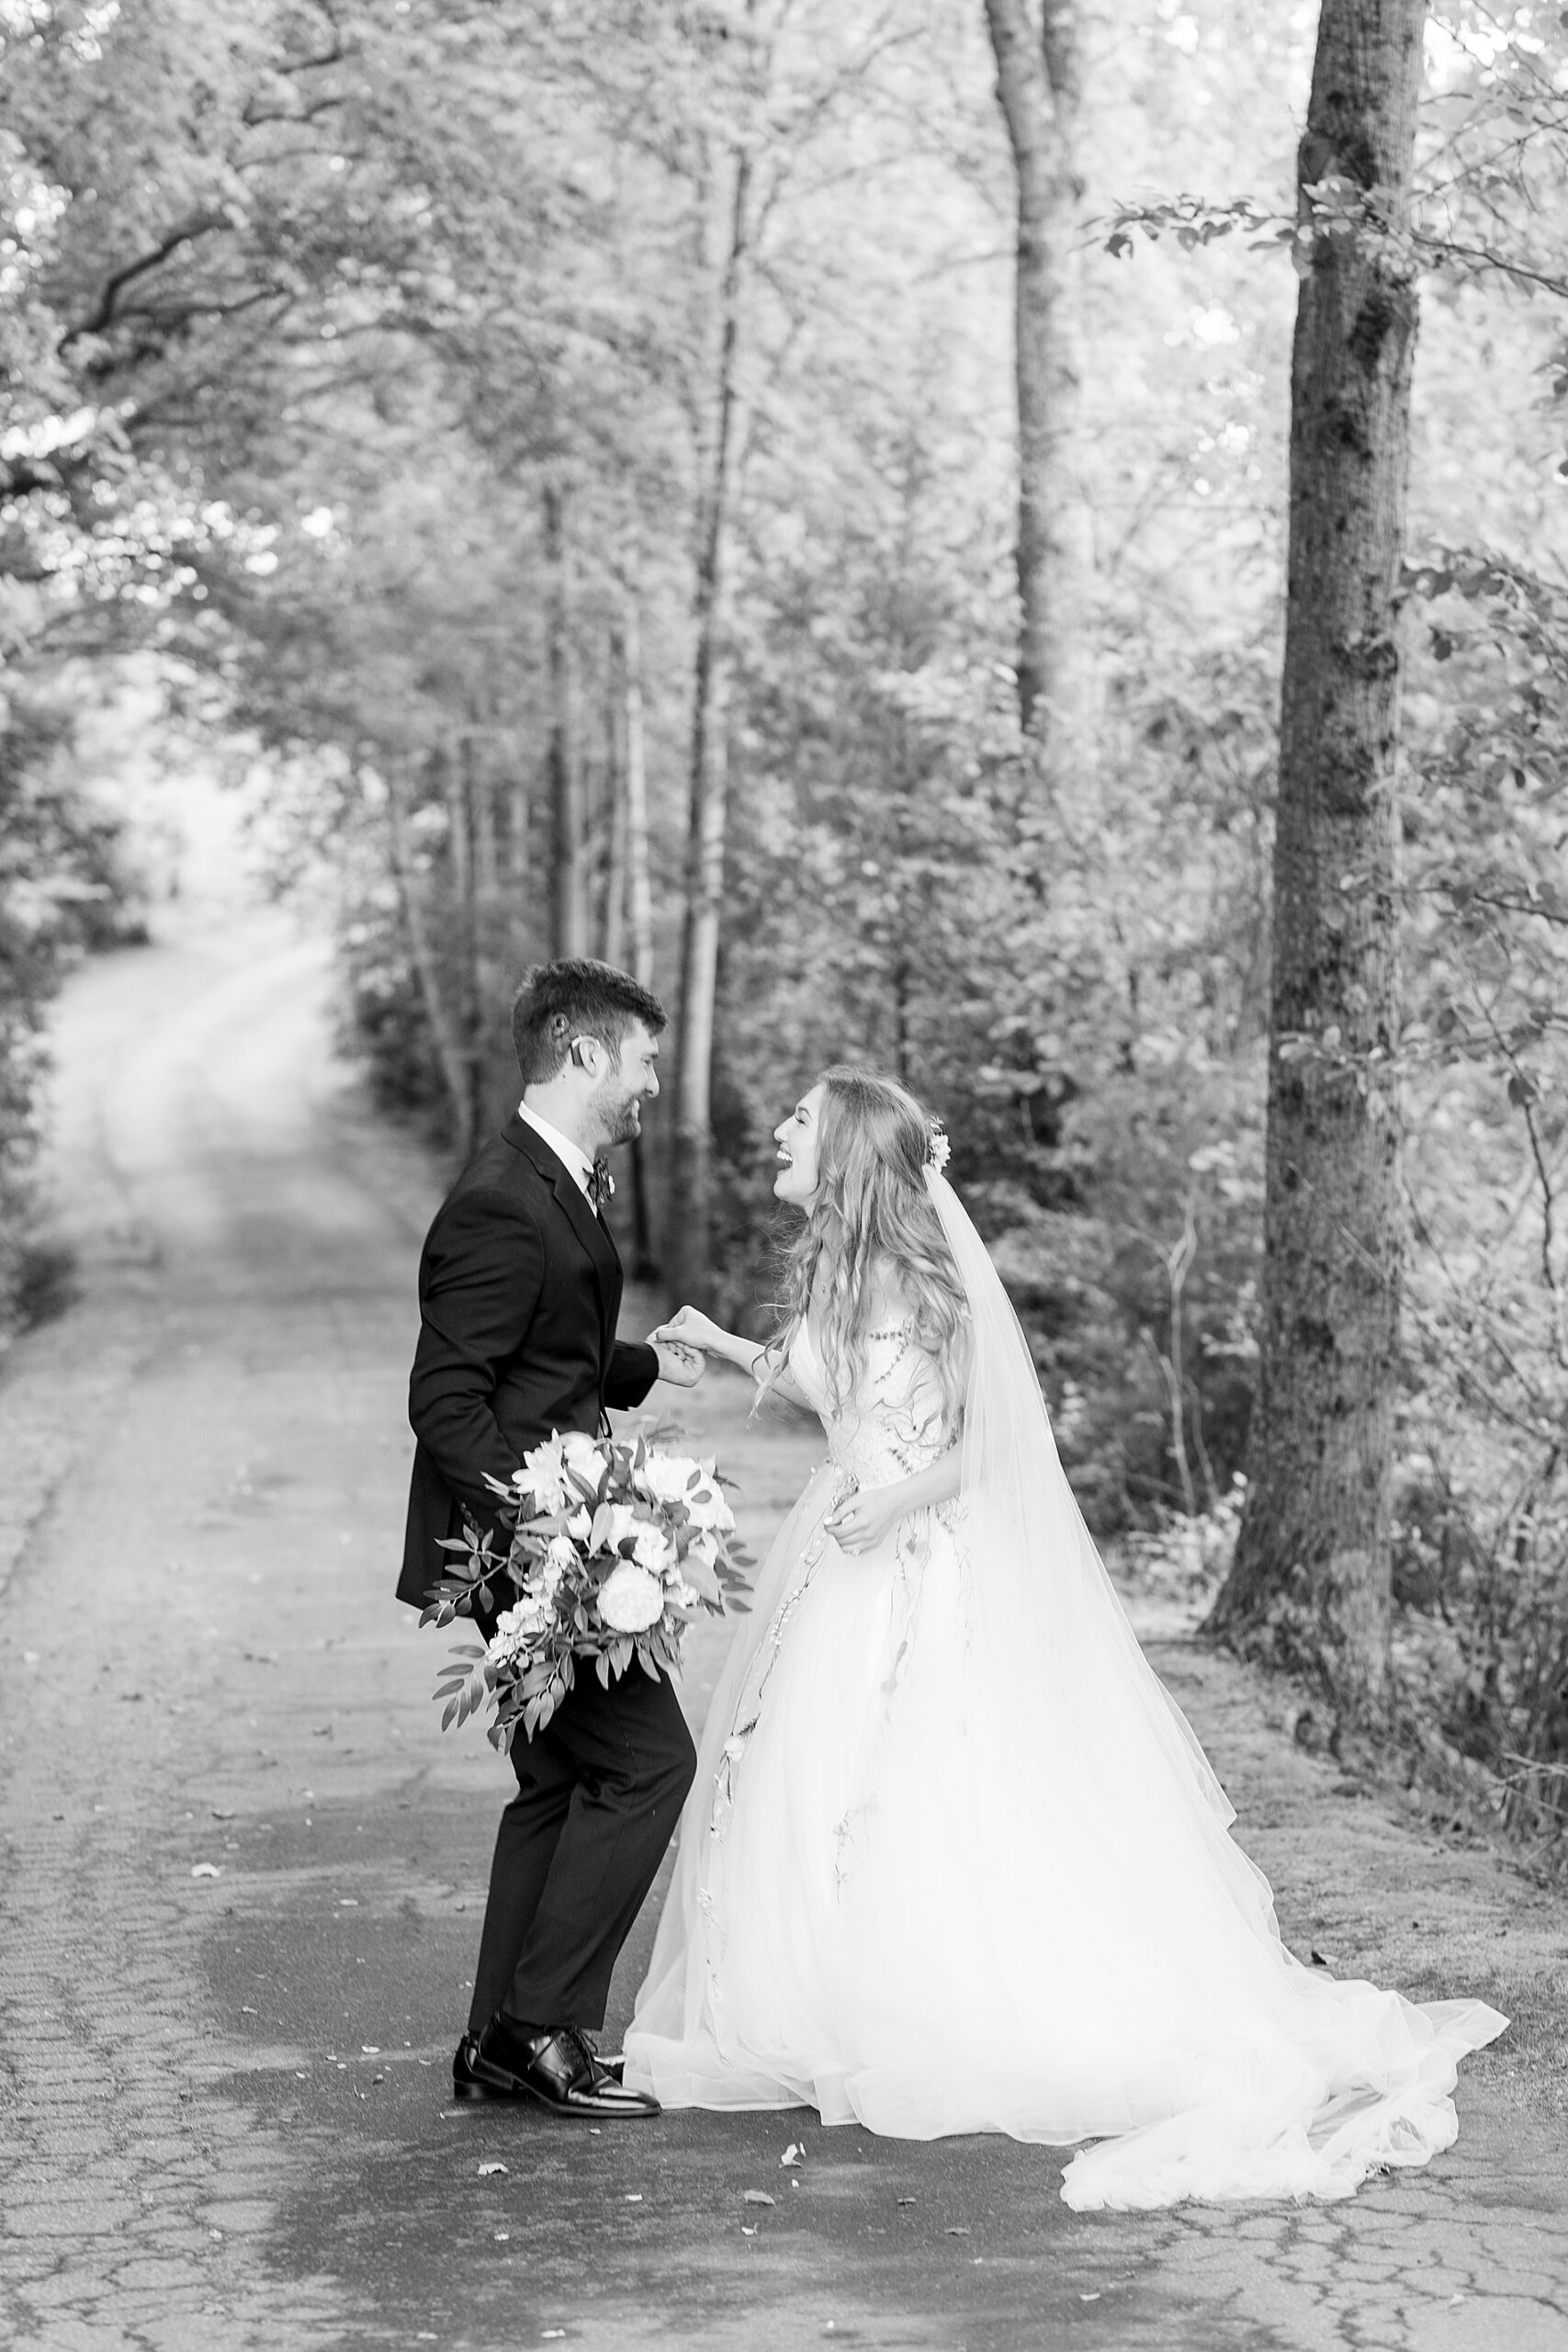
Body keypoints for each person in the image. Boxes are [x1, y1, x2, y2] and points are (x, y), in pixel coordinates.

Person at [622, 1066, 1507, 2208]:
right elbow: (835, 1393)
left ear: (844, 1150)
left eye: (799, 1121)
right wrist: (727, 1346)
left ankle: (929, 1999)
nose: (780, 1131)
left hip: (914, 1563)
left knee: (922, 1783)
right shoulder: (841, 1266)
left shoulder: (927, 1280)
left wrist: (897, 1499)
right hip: (831, 1562)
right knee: (807, 1777)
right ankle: (816, 1996)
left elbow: (999, 1438)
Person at [397, 958, 703, 2122]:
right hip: (525, 1552)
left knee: (562, 1775)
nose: (653, 1085)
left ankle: (496, 2038)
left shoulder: (548, 1181)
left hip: (539, 1537)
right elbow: (447, 1401)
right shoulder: (500, 1198)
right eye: (641, 1060)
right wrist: (544, 1537)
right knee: (646, 1761)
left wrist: (637, 1363)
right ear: (582, 1054)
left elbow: (542, 1356)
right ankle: (540, 2027)